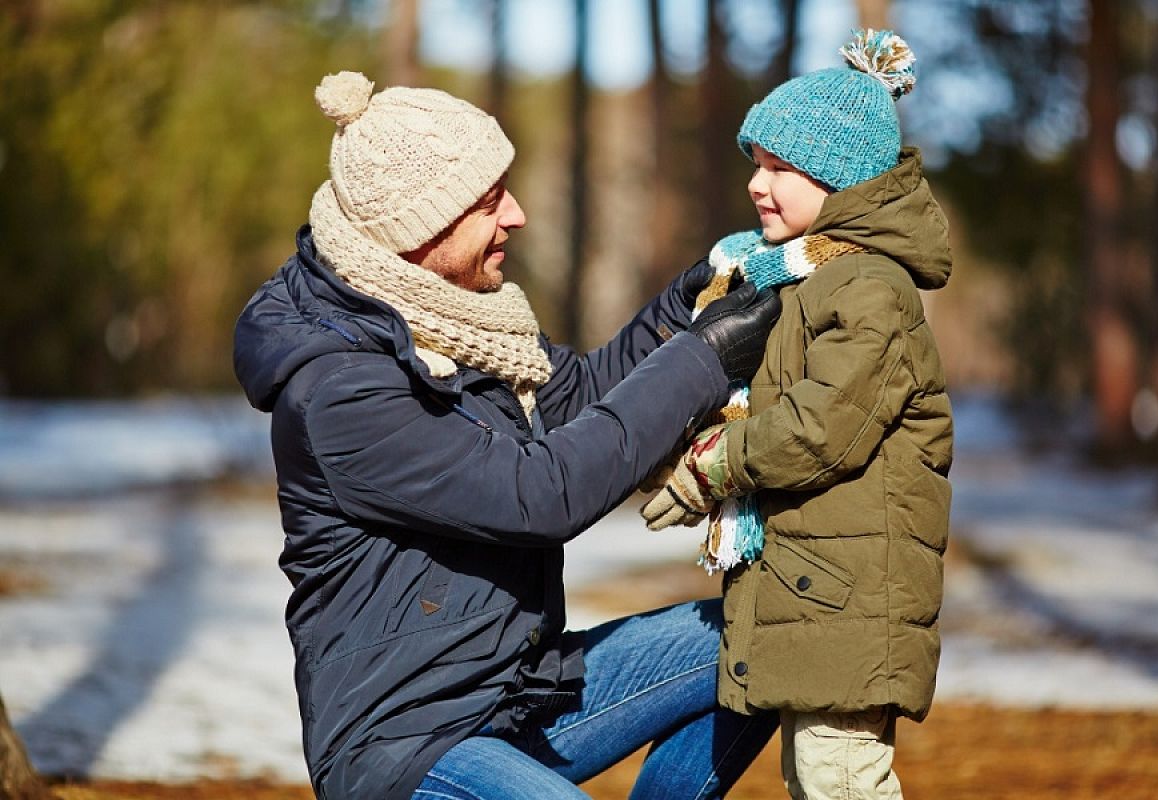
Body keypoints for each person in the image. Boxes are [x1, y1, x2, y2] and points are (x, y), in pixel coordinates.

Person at [233, 71, 783, 800]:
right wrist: (704, 359)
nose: (517, 216)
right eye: (491, 203)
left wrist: (685, 306)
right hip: (407, 744)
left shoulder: (457, 320)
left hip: (518, 692)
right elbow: (541, 494)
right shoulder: (341, 388)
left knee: (773, 638)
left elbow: (582, 397)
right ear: (419, 228)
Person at [641, 30, 954, 800]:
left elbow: (821, 429)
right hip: (813, 588)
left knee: (839, 778)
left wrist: (710, 471)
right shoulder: (795, 279)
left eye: (782, 168)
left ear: (841, 181)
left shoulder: (869, 288)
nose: (758, 183)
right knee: (814, 778)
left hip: (852, 596)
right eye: (756, 163)